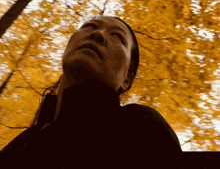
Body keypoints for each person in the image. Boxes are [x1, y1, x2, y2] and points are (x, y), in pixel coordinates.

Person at [1, 15, 182, 168]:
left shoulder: (140, 125)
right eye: (89, 26)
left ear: (127, 80)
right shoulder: (26, 139)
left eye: (117, 36)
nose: (97, 34)